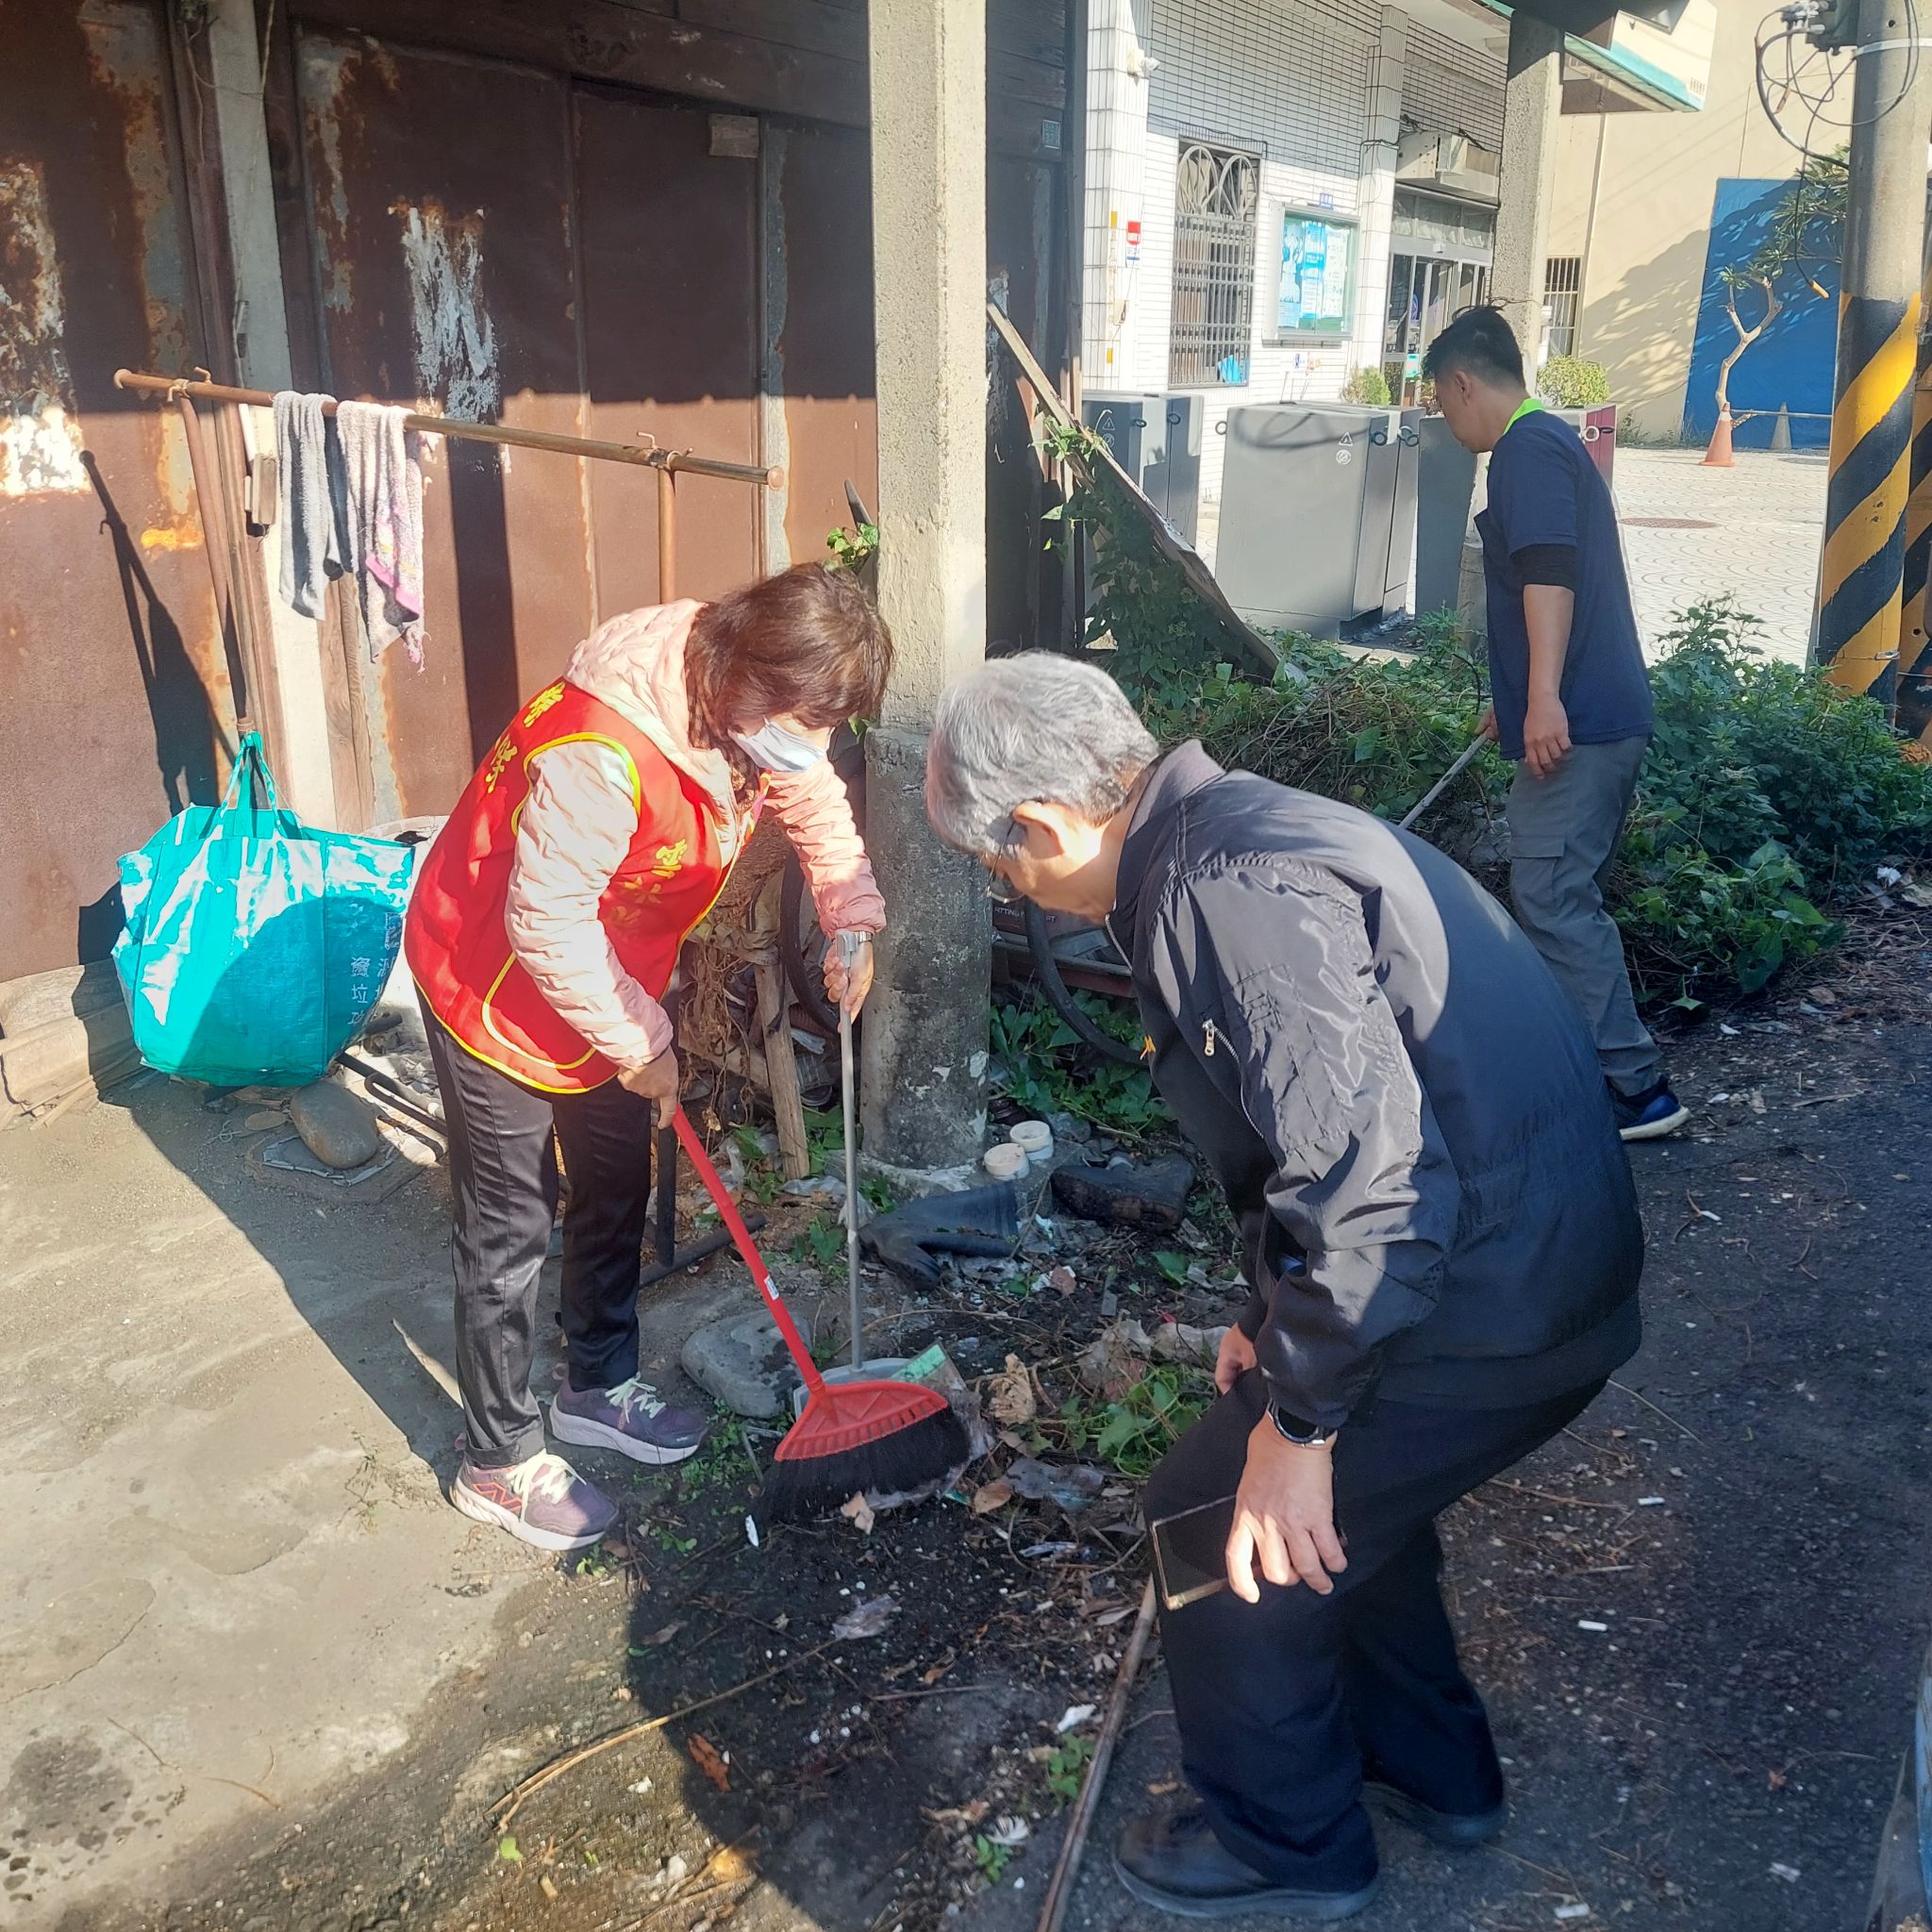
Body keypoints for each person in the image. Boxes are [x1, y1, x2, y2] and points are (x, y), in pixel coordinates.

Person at [925, 655, 1644, 1921]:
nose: (1009, 888)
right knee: (1346, 1507)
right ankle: (1430, 1769)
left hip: (1488, 1299)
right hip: (1533, 1264)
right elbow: (1322, 1136)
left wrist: (1300, 1424)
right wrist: (1273, 1321)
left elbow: (1375, 1185)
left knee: (1215, 1512)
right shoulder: (1238, 827)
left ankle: (1289, 1843)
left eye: (997, 865)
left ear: (1040, 824)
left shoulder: (1220, 891)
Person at [406, 565, 891, 1552]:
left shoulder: (743, 707)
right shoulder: (606, 744)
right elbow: (546, 923)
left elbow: (811, 798)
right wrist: (641, 1044)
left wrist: (849, 913)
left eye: (828, 726)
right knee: (509, 1224)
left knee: (618, 1179)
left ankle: (594, 1382)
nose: (812, 748)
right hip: (493, 973)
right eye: (804, 721)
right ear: (748, 675)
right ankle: (496, 1458)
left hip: (607, 975)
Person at [1425, 305, 1689, 1141]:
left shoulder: (1526, 450)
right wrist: (1514, 699)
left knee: (1550, 894)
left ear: (1463, 384)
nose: (1446, 421)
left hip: (1582, 725)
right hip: (1594, 715)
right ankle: (1587, 1070)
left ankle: (1636, 1090)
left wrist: (1542, 698)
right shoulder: (1550, 442)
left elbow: (1549, 573)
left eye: (1441, 403)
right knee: (1560, 894)